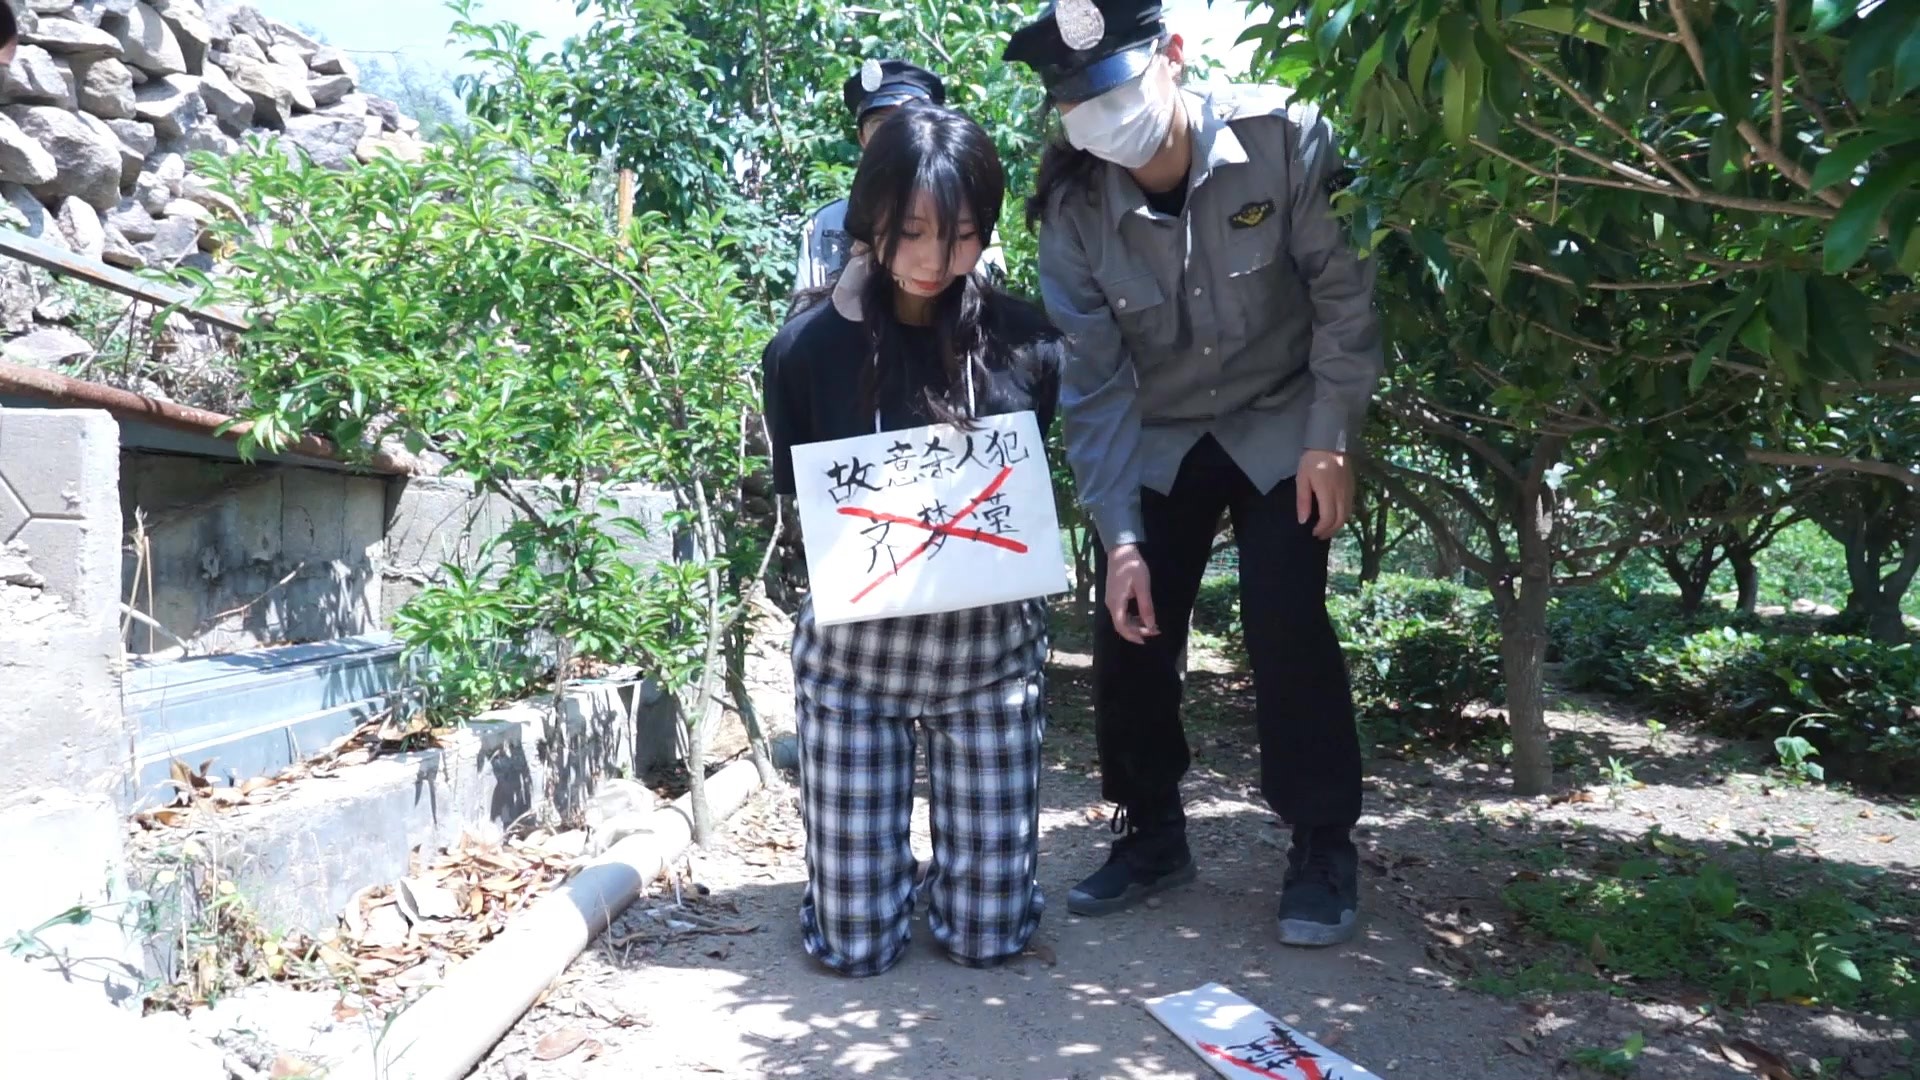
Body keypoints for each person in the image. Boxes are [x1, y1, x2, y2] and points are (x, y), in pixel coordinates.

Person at [1004, 0, 1384, 947]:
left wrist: (1331, 438)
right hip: (1159, 433)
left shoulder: (1284, 138)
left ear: (1172, 55)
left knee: (1285, 614)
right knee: (1130, 623)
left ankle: (1322, 841)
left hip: (1283, 421)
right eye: (1079, 106)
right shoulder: (1073, 213)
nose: (1104, 120)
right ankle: (1151, 832)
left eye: (1116, 91)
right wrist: (1120, 540)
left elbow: (1344, 298)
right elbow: (1094, 387)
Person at [762, 102, 1066, 976]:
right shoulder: (804, 352)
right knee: (854, 947)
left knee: (989, 939)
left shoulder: (1028, 342)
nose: (935, 260)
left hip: (991, 661)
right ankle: (867, 877)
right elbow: (807, 504)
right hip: (856, 666)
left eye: (962, 235)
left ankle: (963, 880)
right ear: (872, 221)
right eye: (914, 232)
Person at [795, 58, 1006, 293]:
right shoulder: (827, 224)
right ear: (862, 137)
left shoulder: (966, 215)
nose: (896, 138)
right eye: (880, 125)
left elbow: (987, 295)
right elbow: (806, 305)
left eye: (908, 122)